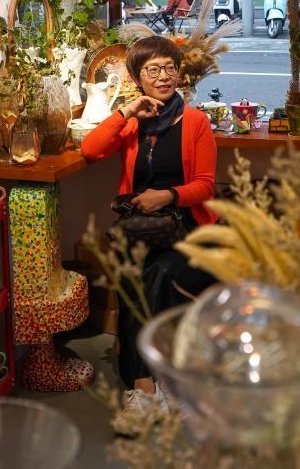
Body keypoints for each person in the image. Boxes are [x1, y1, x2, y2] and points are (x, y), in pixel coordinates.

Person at [81, 36, 218, 415]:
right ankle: (146, 385)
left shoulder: (196, 122)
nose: (163, 77)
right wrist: (125, 113)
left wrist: (168, 196)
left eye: (169, 68)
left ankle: (156, 380)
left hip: (190, 229)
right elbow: (90, 149)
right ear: (137, 78)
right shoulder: (134, 124)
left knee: (156, 275)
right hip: (142, 228)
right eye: (152, 70)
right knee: (133, 277)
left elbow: (205, 186)